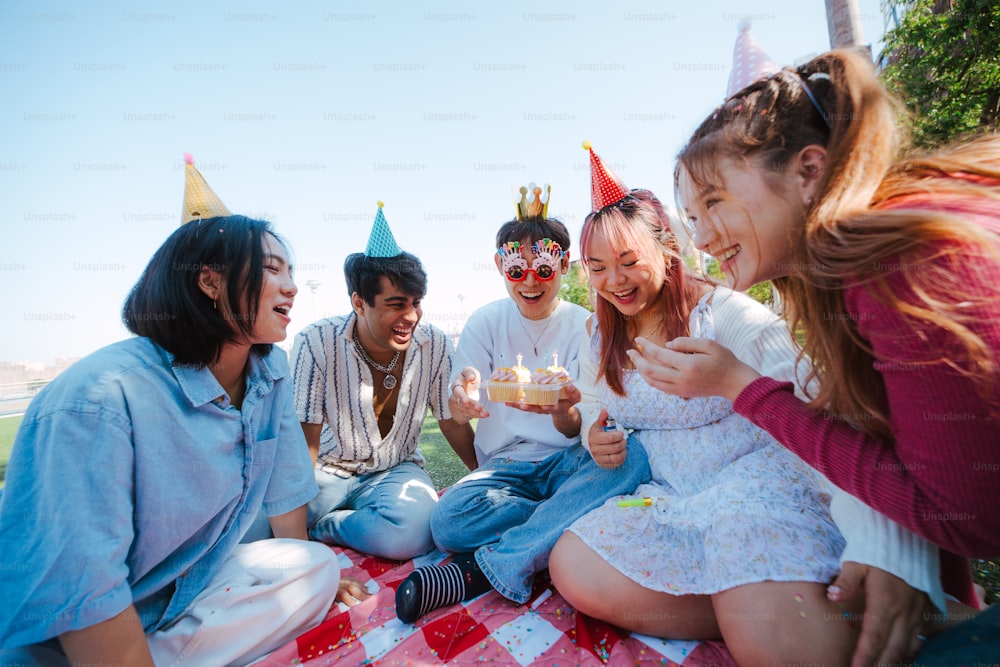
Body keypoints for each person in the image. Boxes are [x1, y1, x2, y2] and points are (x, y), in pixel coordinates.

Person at [640, 49, 1000, 665]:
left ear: (809, 170)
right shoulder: (854, 264)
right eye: (692, 217)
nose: (700, 237)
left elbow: (967, 518)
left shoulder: (900, 266)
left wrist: (739, 386)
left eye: (716, 202)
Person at [0, 157, 367, 666]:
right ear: (210, 282)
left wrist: (321, 577)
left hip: (188, 592)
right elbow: (84, 596)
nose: (291, 287)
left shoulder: (271, 372)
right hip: (74, 639)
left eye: (292, 272)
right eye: (271, 269)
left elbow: (285, 501)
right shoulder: (97, 402)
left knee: (315, 567)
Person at [548, 143, 858, 666]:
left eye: (628, 262)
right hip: (667, 493)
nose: (614, 282)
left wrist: (858, 520)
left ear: (667, 249)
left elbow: (818, 398)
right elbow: (596, 413)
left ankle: (768, 610)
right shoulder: (595, 333)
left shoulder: (722, 313)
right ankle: (751, 606)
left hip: (749, 481)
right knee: (570, 566)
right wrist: (596, 438)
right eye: (597, 268)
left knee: (772, 641)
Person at [394, 183, 650, 624]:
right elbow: (461, 399)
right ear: (499, 265)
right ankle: (565, 521)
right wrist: (463, 400)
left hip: (568, 461)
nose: (530, 281)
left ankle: (483, 568)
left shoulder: (585, 325)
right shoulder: (485, 322)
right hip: (506, 470)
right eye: (517, 269)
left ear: (565, 265)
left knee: (635, 459)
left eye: (544, 269)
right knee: (449, 522)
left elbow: (577, 425)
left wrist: (564, 412)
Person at [291, 202, 477, 561]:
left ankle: (328, 528)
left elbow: (452, 423)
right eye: (396, 304)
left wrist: (484, 477)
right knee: (263, 530)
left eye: (416, 302)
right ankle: (316, 524)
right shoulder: (315, 342)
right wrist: (299, 550)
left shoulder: (435, 342)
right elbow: (305, 441)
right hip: (326, 472)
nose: (411, 316)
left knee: (413, 536)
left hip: (396, 470)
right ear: (359, 303)